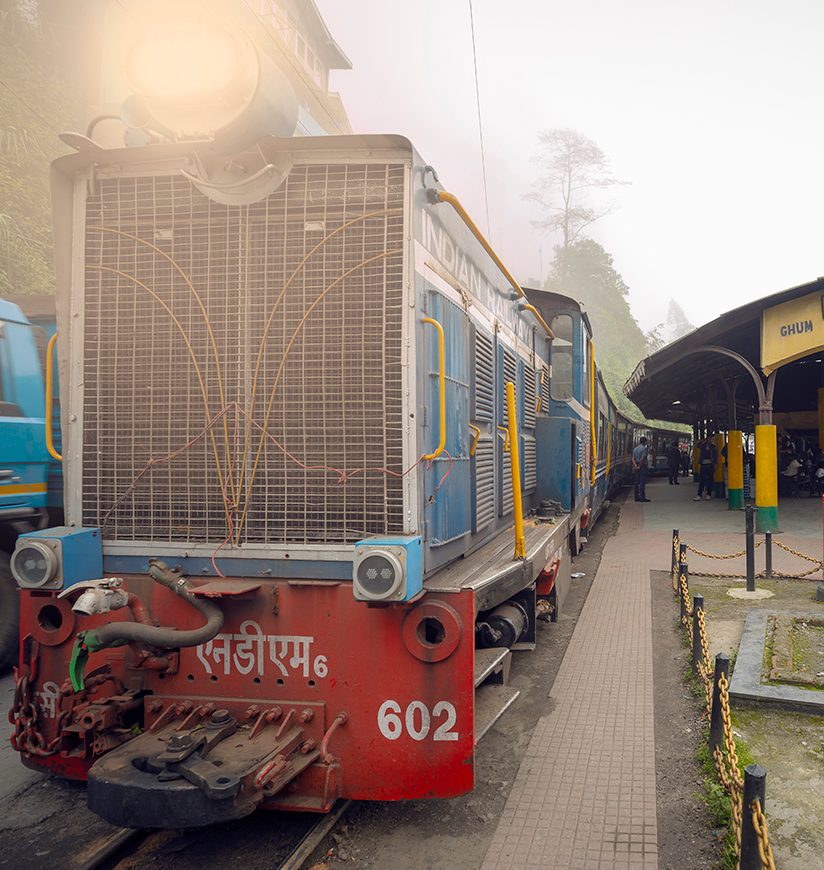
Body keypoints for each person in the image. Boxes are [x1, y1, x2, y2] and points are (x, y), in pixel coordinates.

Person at [693, 436, 717, 501]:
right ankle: (699, 495)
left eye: (711, 439)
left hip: (710, 465)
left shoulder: (713, 447)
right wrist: (702, 441)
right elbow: (697, 445)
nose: (710, 440)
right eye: (709, 439)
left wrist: (715, 464)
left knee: (710, 480)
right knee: (702, 481)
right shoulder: (703, 446)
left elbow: (715, 457)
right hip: (703, 465)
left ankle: (708, 494)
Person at [632, 436, 650, 502]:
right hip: (642, 466)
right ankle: (642, 497)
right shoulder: (644, 449)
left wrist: (635, 466)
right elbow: (643, 458)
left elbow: (633, 459)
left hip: (636, 465)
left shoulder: (635, 449)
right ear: (644, 442)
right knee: (642, 482)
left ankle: (636, 497)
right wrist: (639, 466)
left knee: (636, 482)